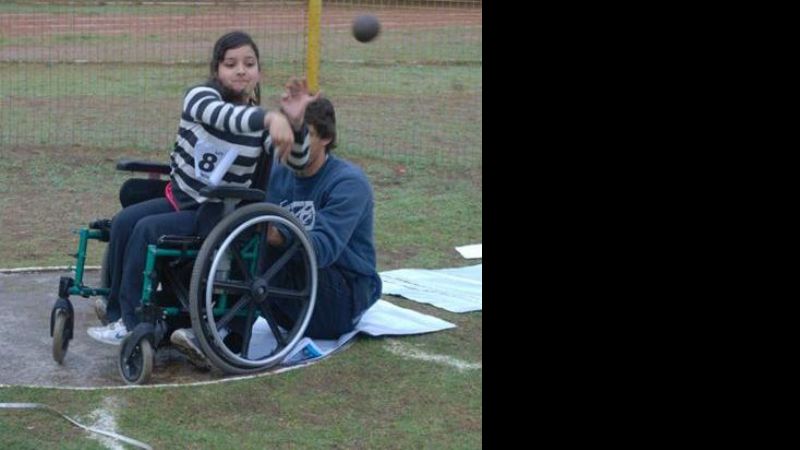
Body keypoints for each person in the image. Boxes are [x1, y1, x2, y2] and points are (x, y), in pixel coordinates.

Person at [87, 30, 312, 346]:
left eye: (249, 63)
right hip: (184, 200)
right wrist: (270, 118)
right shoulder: (200, 98)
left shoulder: (262, 125)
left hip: (220, 214)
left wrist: (297, 125)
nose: (240, 70)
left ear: (258, 72)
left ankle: (133, 321)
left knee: (146, 229)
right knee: (124, 222)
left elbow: (299, 163)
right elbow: (225, 117)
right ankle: (118, 316)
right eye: (230, 63)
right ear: (217, 70)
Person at [170, 95, 383, 369]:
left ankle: (222, 337)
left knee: (258, 247)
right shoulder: (277, 174)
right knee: (225, 237)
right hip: (295, 289)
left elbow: (322, 251)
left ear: (326, 138)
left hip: (343, 294)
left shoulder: (348, 183)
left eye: (302, 135)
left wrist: (276, 233)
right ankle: (181, 322)